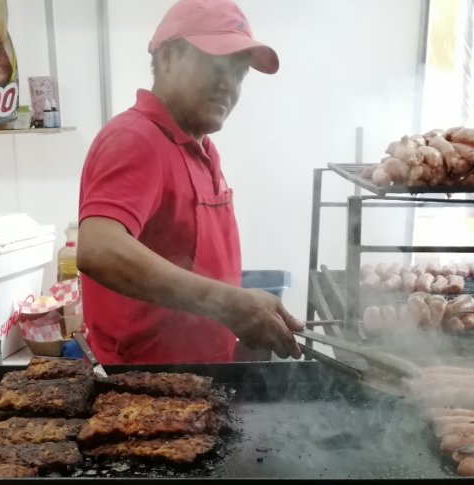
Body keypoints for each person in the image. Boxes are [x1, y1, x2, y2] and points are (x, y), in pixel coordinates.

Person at [76, 0, 303, 365]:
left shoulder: (202, 148)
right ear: (167, 57)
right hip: (142, 397)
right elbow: (98, 248)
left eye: (239, 72)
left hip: (199, 382)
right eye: (217, 66)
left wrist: (239, 330)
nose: (229, 84)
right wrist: (231, 305)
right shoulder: (137, 138)